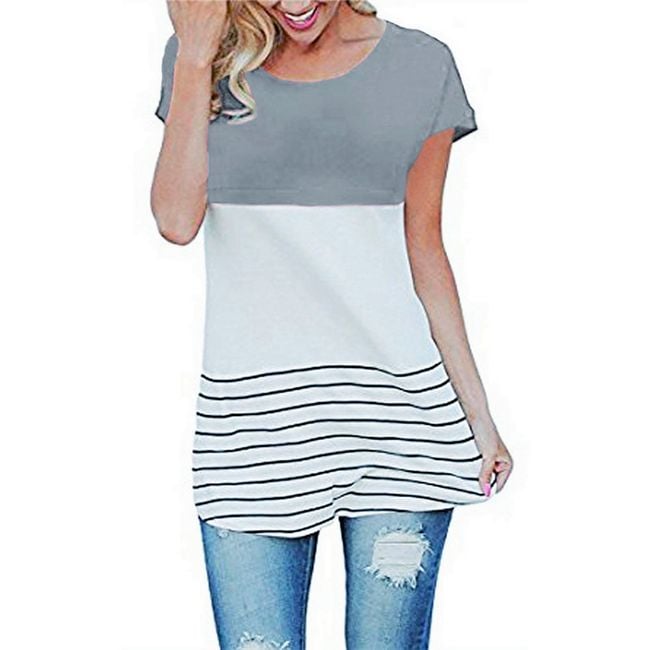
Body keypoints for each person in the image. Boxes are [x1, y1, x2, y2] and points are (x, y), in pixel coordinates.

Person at [151, 1, 513, 648]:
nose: (292, 6)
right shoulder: (204, 58)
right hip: (253, 438)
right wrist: (196, 56)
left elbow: (425, 249)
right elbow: (176, 222)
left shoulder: (421, 65)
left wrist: (480, 418)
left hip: (399, 428)